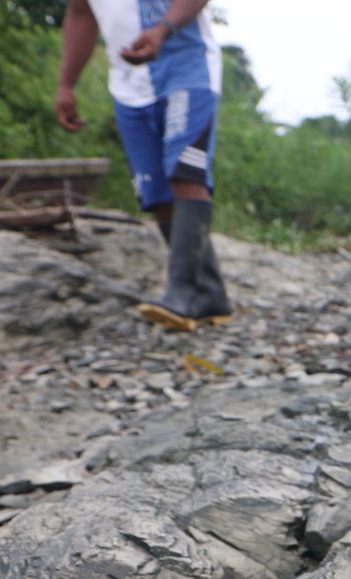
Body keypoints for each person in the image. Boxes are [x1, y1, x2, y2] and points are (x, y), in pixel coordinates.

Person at [56, 0, 231, 332]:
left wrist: (164, 28)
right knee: (156, 194)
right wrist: (67, 84)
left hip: (187, 67)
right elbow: (81, 13)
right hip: (129, 86)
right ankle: (210, 295)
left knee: (185, 171)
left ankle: (180, 295)